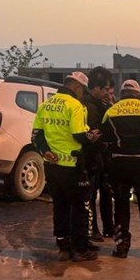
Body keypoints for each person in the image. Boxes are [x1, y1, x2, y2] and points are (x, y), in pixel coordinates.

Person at [32, 71, 99, 262]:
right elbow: (79, 134)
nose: (83, 95)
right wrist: (92, 137)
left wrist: (45, 151)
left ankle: (63, 246)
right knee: (81, 207)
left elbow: (36, 135)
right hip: (74, 166)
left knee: (60, 206)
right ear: (77, 87)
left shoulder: (45, 105)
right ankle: (80, 248)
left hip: (52, 166)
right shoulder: (75, 105)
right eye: (83, 91)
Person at [100, 79, 140, 259]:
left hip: (118, 164)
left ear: (121, 93)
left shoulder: (111, 111)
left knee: (120, 205)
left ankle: (121, 247)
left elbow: (104, 138)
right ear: (138, 93)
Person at [82, 66, 116, 240]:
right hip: (92, 157)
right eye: (105, 90)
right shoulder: (89, 106)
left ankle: (107, 228)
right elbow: (95, 133)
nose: (107, 94)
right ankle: (92, 229)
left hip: (100, 157)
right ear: (95, 87)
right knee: (91, 194)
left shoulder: (98, 104)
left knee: (103, 191)